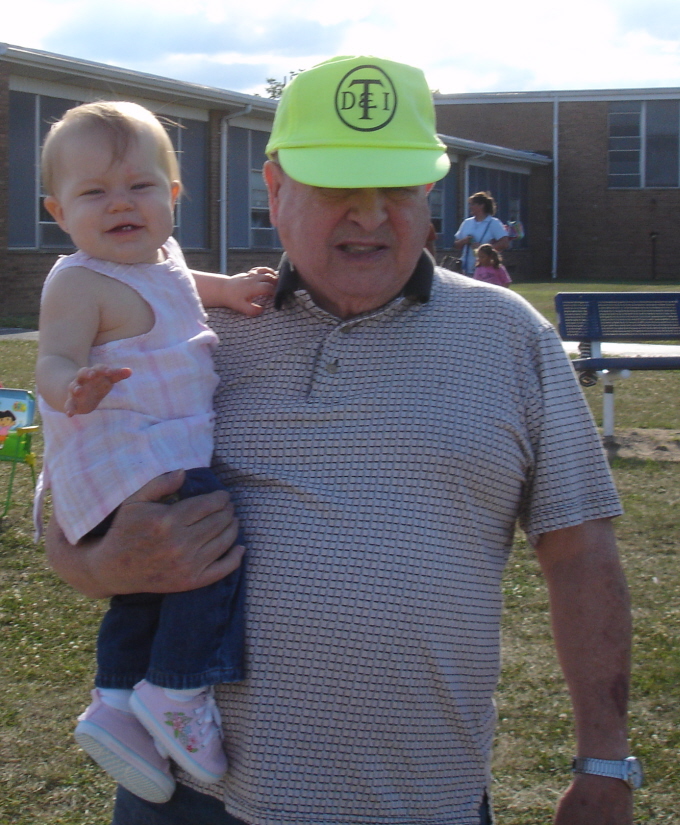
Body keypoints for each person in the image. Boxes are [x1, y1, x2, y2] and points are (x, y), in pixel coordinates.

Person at [45, 57, 638, 825]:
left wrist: (604, 760)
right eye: (336, 187)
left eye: (394, 187)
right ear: (276, 189)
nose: (367, 215)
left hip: (420, 797)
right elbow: (63, 515)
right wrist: (99, 563)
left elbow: (582, 550)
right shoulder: (185, 330)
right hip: (194, 798)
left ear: (430, 197)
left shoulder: (511, 338)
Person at [35, 101, 276, 804]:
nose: (120, 204)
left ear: (172, 198)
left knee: (145, 590)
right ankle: (178, 687)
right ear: (57, 211)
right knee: (207, 549)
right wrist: (70, 386)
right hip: (131, 457)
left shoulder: (159, 259)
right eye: (93, 193)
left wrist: (226, 291)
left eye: (139, 187)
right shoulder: (78, 281)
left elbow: (178, 284)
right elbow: (51, 358)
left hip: (152, 455)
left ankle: (115, 699)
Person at [454, 191, 510, 275]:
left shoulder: (493, 223)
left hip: (484, 269)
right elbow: (456, 245)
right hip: (465, 268)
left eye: (472, 204)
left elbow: (505, 243)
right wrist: (464, 241)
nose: (470, 207)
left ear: (481, 205)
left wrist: (483, 248)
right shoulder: (467, 222)